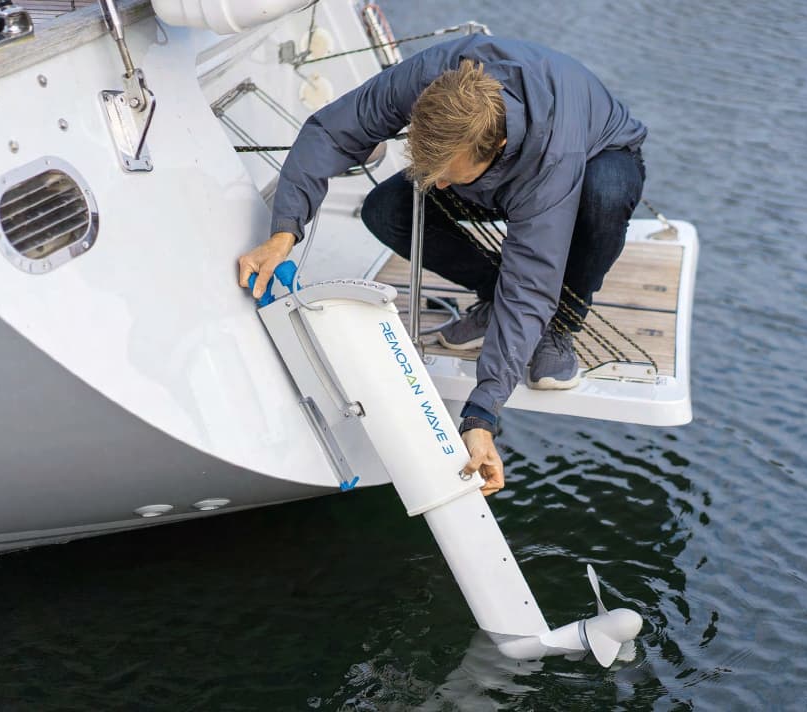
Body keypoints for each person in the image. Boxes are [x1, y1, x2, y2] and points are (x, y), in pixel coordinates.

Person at [238, 35, 646, 496]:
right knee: (385, 211)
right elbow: (331, 132)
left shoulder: (554, 155)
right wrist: (284, 231)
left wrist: (482, 413)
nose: (443, 184)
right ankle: (493, 295)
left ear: (499, 145)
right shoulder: (426, 76)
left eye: (452, 174)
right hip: (492, 170)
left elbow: (532, 281)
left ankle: (561, 325)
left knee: (603, 196)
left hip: (597, 158)